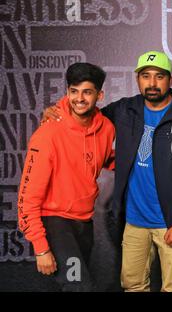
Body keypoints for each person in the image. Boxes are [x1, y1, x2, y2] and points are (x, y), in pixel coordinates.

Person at [42, 51, 172, 292]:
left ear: (170, 81)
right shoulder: (124, 109)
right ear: (137, 79)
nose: (152, 83)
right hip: (134, 222)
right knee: (133, 285)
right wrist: (56, 110)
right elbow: (87, 113)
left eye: (159, 76)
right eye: (145, 76)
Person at [17, 62, 115, 291]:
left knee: (74, 287)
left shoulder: (107, 128)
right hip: (55, 223)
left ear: (99, 95)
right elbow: (26, 197)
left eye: (87, 92)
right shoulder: (49, 132)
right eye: (74, 91)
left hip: (84, 222)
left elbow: (102, 158)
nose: (79, 98)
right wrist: (41, 248)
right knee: (80, 286)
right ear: (67, 92)